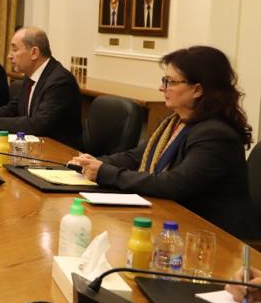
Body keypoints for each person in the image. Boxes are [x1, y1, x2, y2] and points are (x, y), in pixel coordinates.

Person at [69, 46, 257, 240]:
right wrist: (93, 163)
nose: (162, 88)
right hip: (178, 222)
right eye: (164, 80)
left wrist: (105, 173)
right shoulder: (175, 122)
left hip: (217, 238)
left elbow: (175, 184)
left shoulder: (215, 135)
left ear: (197, 90)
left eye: (170, 82)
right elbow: (136, 157)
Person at [0, 27, 82, 148]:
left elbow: (39, 123)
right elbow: (13, 109)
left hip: (60, 150)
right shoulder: (31, 75)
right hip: (36, 146)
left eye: (14, 49)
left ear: (34, 53)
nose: (9, 56)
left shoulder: (60, 81)